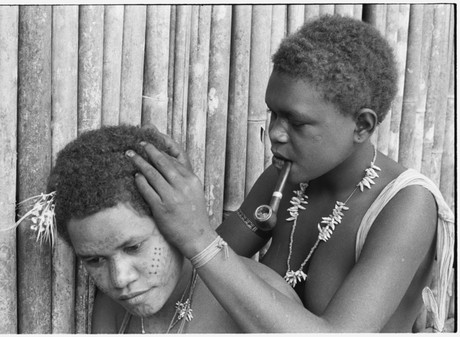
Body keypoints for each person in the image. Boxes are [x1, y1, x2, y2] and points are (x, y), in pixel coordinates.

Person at [127, 15, 454, 332]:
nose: (275, 133)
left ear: (362, 125)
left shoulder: (407, 206)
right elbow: (196, 276)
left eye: (296, 123)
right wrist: (177, 196)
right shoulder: (283, 179)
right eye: (273, 114)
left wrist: (198, 235)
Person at [44, 125, 298, 333]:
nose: (120, 278)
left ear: (175, 221)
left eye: (133, 247)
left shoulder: (264, 302)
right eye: (95, 260)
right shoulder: (112, 310)